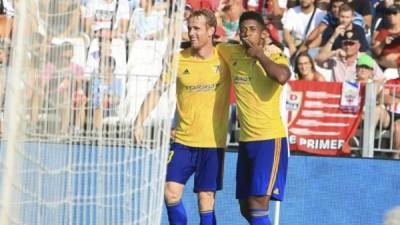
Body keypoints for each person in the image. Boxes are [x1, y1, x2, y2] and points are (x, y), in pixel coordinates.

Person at [133, 9, 231, 225]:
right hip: (183, 141)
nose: (192, 33)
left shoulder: (225, 58)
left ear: (211, 31)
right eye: (190, 28)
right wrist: (139, 121)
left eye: (197, 28)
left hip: (212, 143)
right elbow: (158, 90)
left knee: (205, 200)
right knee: (170, 192)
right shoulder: (178, 59)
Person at [218, 11, 291, 225]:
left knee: (259, 203)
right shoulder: (232, 53)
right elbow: (209, 46)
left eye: (252, 30)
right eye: (243, 30)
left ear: (263, 34)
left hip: (270, 140)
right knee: (245, 206)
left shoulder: (274, 56)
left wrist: (259, 54)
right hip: (246, 142)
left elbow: (282, 76)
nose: (246, 34)